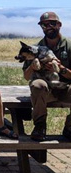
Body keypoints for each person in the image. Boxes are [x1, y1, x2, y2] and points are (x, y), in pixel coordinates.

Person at [23, 12, 71, 141]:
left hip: (65, 88)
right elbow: (27, 77)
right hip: (45, 91)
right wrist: (32, 67)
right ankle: (40, 126)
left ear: (59, 25)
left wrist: (62, 70)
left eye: (52, 23)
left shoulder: (69, 47)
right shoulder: (35, 49)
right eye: (44, 25)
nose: (48, 27)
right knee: (37, 84)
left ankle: (70, 126)